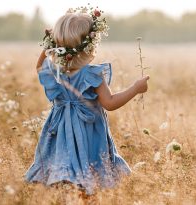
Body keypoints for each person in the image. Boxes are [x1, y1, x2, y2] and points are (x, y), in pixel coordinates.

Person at [24, 5, 150, 202]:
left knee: (65, 172)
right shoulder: (92, 74)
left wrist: (47, 46)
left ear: (57, 45)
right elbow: (110, 103)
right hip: (88, 132)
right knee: (89, 174)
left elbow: (39, 66)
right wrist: (135, 87)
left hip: (61, 132)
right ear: (91, 46)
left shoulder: (55, 72)